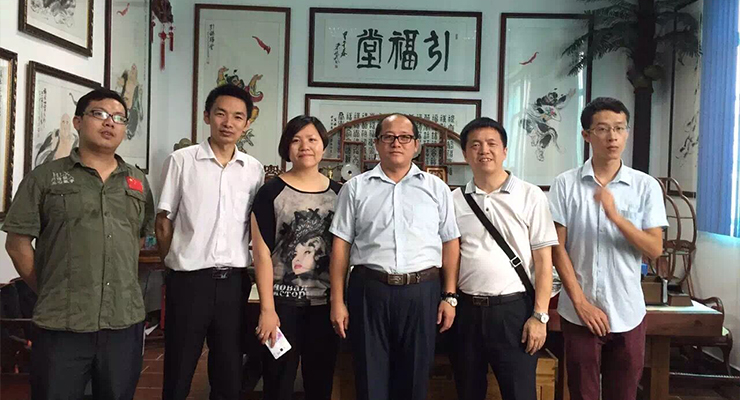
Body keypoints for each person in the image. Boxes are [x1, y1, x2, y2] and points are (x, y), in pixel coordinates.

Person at [3, 88, 155, 400]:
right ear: (77, 122)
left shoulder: (137, 182)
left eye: (119, 118)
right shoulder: (45, 178)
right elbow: (17, 244)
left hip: (122, 321)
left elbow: (138, 237)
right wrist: (49, 288)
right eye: (99, 114)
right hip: (62, 324)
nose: (109, 123)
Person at [329, 114, 461, 400]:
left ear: (416, 145)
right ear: (377, 144)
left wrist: (449, 296)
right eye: (388, 137)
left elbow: (450, 242)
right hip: (369, 290)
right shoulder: (355, 188)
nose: (396, 143)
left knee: (414, 381)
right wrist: (337, 301)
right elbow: (341, 245)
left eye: (404, 137)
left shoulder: (436, 188)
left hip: (422, 292)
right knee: (369, 378)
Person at [549, 97, 668, 400]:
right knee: (582, 393)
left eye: (619, 128)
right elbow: (557, 248)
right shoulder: (565, 184)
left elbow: (655, 248)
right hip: (580, 312)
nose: (612, 137)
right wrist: (580, 303)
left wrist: (616, 217)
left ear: (627, 133)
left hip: (627, 309)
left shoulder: (646, 186)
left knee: (624, 394)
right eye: (602, 129)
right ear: (586, 135)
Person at [156, 84, 264, 400]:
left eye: (238, 117)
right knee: (179, 368)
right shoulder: (181, 161)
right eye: (221, 114)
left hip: (234, 283)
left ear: (247, 123)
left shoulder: (253, 170)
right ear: (207, 116)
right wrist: (173, 262)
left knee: (228, 371)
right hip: (189, 280)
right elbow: (163, 222)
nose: (228, 123)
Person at [450, 117, 557, 400]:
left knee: (519, 392)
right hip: (467, 312)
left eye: (491, 144)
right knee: (468, 391)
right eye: (475, 145)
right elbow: (451, 255)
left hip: (514, 311)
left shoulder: (530, 195)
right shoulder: (454, 200)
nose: (484, 150)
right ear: (465, 154)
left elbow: (544, 262)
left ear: (505, 151)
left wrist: (540, 316)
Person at [251, 115, 342, 400]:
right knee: (278, 383)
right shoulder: (270, 192)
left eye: (312, 139)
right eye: (296, 140)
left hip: (324, 307)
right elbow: (262, 254)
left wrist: (339, 301)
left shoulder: (340, 194)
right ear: (286, 147)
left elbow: (343, 252)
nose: (305, 146)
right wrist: (267, 309)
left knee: (320, 383)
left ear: (323, 147)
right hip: (283, 305)